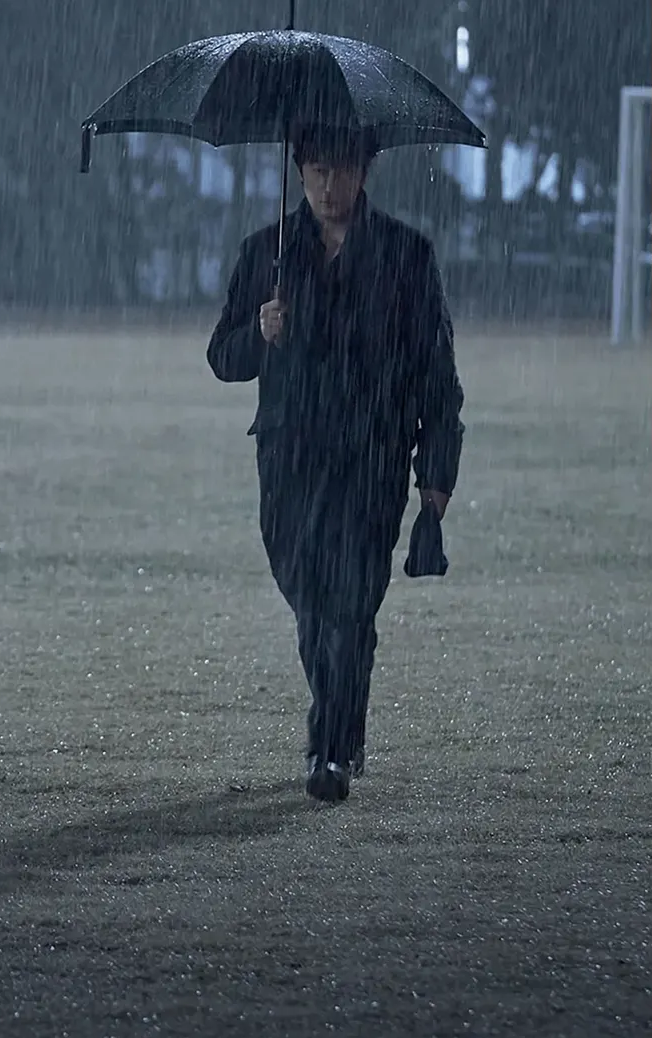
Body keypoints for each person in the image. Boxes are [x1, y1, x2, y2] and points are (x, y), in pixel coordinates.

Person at [206, 124, 464, 804]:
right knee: (311, 602)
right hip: (288, 461)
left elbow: (438, 379)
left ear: (364, 172)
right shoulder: (266, 253)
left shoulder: (406, 257)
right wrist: (260, 333)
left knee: (351, 604)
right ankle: (339, 724)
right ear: (299, 170)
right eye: (318, 170)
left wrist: (435, 483)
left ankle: (332, 747)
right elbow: (222, 357)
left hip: (371, 459)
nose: (329, 185)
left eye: (342, 170)